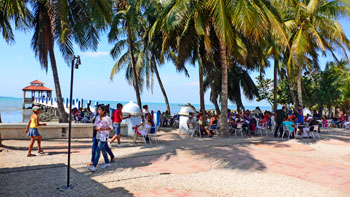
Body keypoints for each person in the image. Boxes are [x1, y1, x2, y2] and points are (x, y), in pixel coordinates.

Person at [88, 105, 113, 172]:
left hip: (104, 137)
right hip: (98, 136)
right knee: (103, 150)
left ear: (103, 111)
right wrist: (97, 129)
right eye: (98, 110)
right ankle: (107, 162)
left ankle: (94, 166)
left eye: (99, 110)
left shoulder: (107, 118)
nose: (98, 111)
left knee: (97, 150)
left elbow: (111, 127)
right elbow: (94, 126)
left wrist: (104, 128)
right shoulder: (97, 117)